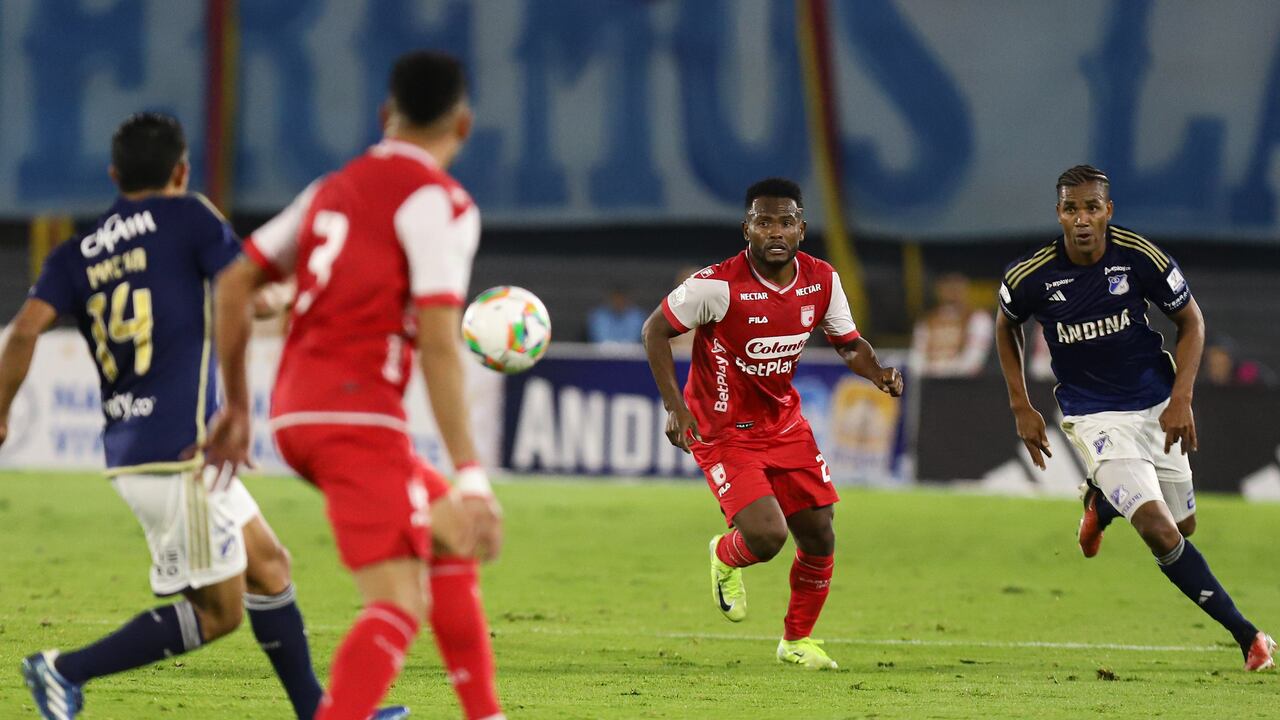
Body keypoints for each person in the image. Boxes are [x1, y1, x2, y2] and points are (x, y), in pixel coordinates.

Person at [1, 113, 406, 719]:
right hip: (179, 451)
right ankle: (64, 669)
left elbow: (24, 333)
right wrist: (297, 294)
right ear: (181, 170)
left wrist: (2, 412)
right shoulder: (189, 216)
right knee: (219, 613)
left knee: (268, 567)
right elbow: (243, 292)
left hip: (139, 446)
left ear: (115, 175)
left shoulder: (73, 255)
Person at [204, 51, 506, 720]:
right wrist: (471, 473)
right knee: (396, 603)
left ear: (383, 116)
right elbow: (437, 340)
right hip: (356, 420)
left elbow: (233, 284)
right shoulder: (442, 203)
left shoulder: (330, 189)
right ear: (463, 123)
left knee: (451, 535)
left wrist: (235, 406)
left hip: (295, 413)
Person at [994, 164, 1274, 672]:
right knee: (1159, 529)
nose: (1082, 218)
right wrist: (1021, 404)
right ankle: (1248, 635)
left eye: (1092, 207)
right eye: (1071, 208)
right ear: (1058, 213)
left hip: (1155, 404)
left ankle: (1102, 504)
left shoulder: (1139, 256)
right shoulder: (1030, 276)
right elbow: (1005, 326)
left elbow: (1191, 321)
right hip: (1094, 415)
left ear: (1108, 210)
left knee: (1185, 524)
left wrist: (1181, 399)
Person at [641, 177, 903, 670]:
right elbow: (654, 330)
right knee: (767, 537)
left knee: (821, 533)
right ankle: (725, 553)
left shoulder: (822, 280)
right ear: (747, 229)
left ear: (802, 229)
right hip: (722, 432)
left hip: (784, 426)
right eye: (764, 222)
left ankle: (797, 641)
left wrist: (878, 373)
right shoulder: (715, 286)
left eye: (786, 221)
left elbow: (848, 343)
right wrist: (674, 406)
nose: (775, 231)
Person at [910, 271, 993, 376]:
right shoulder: (927, 321)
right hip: (931, 384)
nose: (952, 291)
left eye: (957, 286)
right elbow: (917, 359)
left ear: (965, 289)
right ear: (939, 289)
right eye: (948, 285)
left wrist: (943, 372)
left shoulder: (978, 318)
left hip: (964, 385)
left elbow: (973, 361)